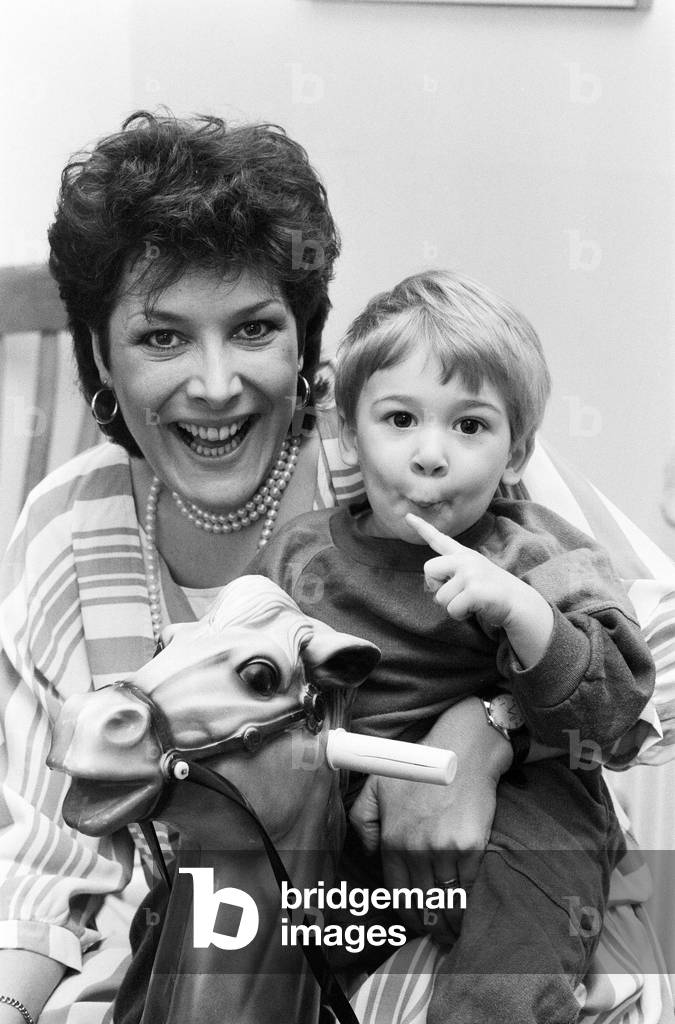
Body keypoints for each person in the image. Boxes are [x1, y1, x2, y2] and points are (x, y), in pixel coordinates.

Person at [0, 112, 671, 1024]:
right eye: (161, 338)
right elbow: (52, 856)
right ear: (101, 364)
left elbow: (651, 659)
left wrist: (490, 728)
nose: (212, 383)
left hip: (505, 927)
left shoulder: (419, 457)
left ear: (305, 343)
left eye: (252, 329)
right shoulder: (64, 530)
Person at [249, 269, 656, 1023]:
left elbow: (616, 713)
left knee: (497, 983)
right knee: (225, 934)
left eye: (469, 426)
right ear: (348, 427)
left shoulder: (535, 553)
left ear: (516, 451)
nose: (430, 455)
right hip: (352, 827)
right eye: (399, 419)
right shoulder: (300, 557)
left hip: (522, 822)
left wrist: (527, 615)